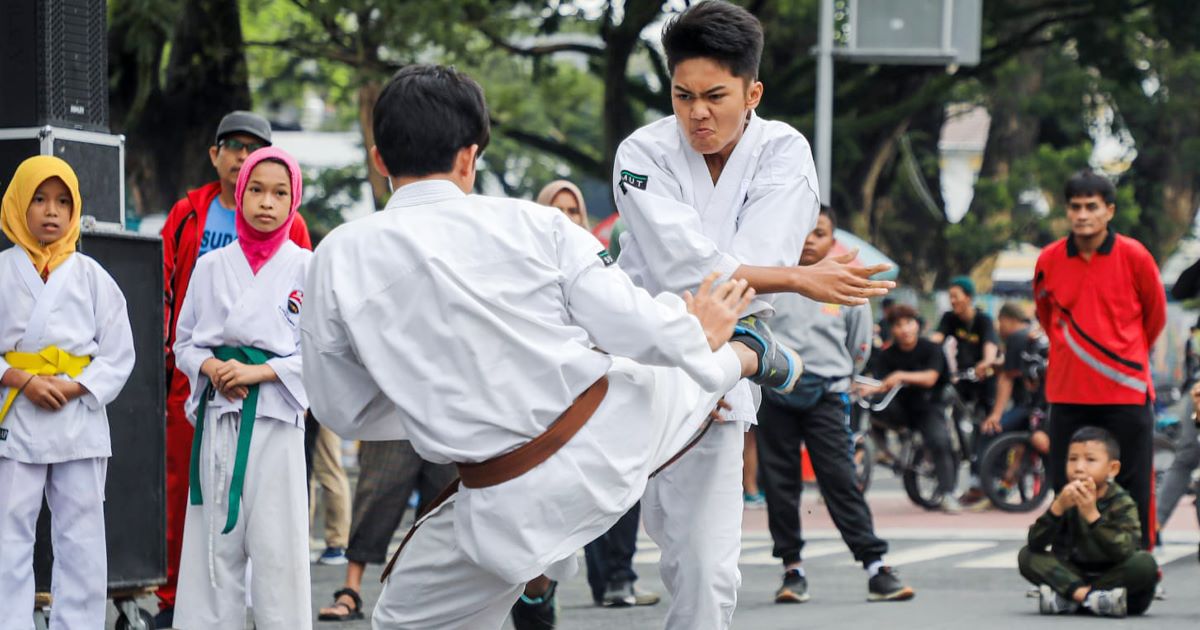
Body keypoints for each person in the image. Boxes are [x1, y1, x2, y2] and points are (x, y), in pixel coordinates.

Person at [301, 63, 802, 630]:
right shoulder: (535, 224)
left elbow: (340, 409)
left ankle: (737, 355)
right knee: (675, 370)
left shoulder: (336, 257)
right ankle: (746, 352)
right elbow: (638, 328)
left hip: (497, 499)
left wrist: (438, 401)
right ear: (470, 157)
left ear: (379, 159)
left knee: (399, 618)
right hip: (603, 436)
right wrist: (699, 327)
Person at [610, 4, 891, 627]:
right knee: (544, 530)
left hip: (720, 372)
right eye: (682, 96)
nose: (697, 114)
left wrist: (776, 275)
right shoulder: (641, 151)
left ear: (752, 91)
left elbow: (746, 266)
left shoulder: (785, 150)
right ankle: (541, 583)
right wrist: (798, 278)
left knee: (705, 569)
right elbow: (693, 267)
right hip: (630, 366)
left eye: (715, 96)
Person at [158, 110, 312, 627]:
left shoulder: (305, 267)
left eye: (280, 193)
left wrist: (258, 373)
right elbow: (182, 343)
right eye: (257, 191)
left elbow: (319, 355)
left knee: (277, 552)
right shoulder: (209, 266)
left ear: (294, 201)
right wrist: (211, 366)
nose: (267, 204)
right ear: (239, 193)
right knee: (215, 552)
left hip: (274, 423)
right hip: (220, 419)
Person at [0, 156, 136, 630]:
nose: (51, 211)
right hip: (16, 414)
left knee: (80, 536)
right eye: (39, 199)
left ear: (76, 210)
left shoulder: (91, 276)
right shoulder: (1, 272)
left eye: (63, 201)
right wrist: (20, 379)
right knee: (8, 535)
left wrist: (76, 384)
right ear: (19, 204)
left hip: (76, 416)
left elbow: (119, 353)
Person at [756, 207, 913, 604]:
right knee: (779, 484)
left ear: (832, 239)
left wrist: (842, 375)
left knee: (840, 478)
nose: (810, 238)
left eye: (820, 232)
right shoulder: (771, 281)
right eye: (804, 230)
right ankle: (792, 569)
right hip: (775, 395)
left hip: (826, 393)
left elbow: (858, 346)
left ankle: (876, 566)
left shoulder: (846, 285)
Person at [536, 179, 660, 609]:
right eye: (557, 209)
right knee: (574, 493)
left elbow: (623, 320)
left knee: (623, 483)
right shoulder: (526, 267)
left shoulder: (600, 264)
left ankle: (619, 578)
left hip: (608, 388)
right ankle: (550, 583)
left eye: (574, 211)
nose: (567, 219)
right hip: (554, 398)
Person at [1033, 170, 1166, 549]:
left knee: (1135, 484)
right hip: (1068, 391)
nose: (1082, 215)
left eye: (1092, 206)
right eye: (1075, 207)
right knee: (1067, 483)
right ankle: (1069, 563)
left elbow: (1154, 317)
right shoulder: (1049, 259)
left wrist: (1128, 357)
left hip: (1126, 391)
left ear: (1109, 211)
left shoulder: (1135, 256)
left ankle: (1139, 566)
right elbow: (1046, 316)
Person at [1018, 426, 1158, 617]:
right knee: (1027, 556)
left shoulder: (1122, 502)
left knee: (1145, 564)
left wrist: (1093, 516)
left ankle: (1071, 599)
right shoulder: (1066, 496)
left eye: (1090, 460)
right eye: (1073, 459)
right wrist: (1056, 509)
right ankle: (1090, 599)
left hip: (1114, 576)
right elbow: (1036, 542)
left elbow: (1126, 551)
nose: (1079, 468)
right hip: (1074, 574)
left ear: (1112, 468)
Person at [317, 440, 456, 622]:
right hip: (395, 419)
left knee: (444, 504)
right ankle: (351, 589)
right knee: (376, 491)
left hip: (450, 422)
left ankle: (435, 596)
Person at [860, 304, 959, 512]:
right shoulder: (887, 355)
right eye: (898, 325)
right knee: (870, 409)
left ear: (917, 325)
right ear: (892, 329)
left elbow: (930, 378)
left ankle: (948, 493)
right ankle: (885, 450)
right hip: (899, 409)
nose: (904, 329)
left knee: (939, 441)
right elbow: (880, 383)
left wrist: (900, 376)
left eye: (908, 323)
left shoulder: (931, 349)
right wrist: (864, 388)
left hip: (928, 406)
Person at [930, 275, 998, 507]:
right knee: (958, 425)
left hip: (984, 381)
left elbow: (990, 346)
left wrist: (986, 363)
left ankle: (982, 481)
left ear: (968, 298)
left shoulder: (983, 320)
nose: (952, 301)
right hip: (962, 380)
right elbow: (936, 339)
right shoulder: (950, 318)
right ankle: (963, 462)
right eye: (950, 297)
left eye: (956, 297)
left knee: (984, 429)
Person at [978, 303, 1049, 463]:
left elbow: (1007, 377)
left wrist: (996, 415)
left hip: (1032, 406)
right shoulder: (1038, 337)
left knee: (990, 431)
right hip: (1043, 405)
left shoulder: (1018, 337)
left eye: (1000, 321)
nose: (999, 327)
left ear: (1007, 319)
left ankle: (981, 482)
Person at [310, 422, 352, 565]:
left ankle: (337, 543)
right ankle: (335, 542)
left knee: (328, 471)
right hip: (318, 408)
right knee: (308, 472)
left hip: (316, 409)